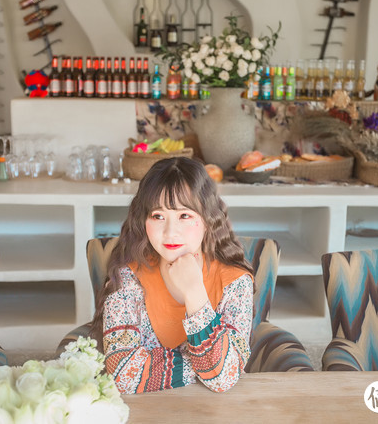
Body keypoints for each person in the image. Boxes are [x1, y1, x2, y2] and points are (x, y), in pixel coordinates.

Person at [89, 157, 254, 394]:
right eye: (158, 216)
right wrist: (204, 367)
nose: (170, 232)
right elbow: (122, 374)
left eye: (184, 216)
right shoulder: (128, 276)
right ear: (143, 220)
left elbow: (222, 379)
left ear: (208, 220)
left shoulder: (235, 282)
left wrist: (194, 292)